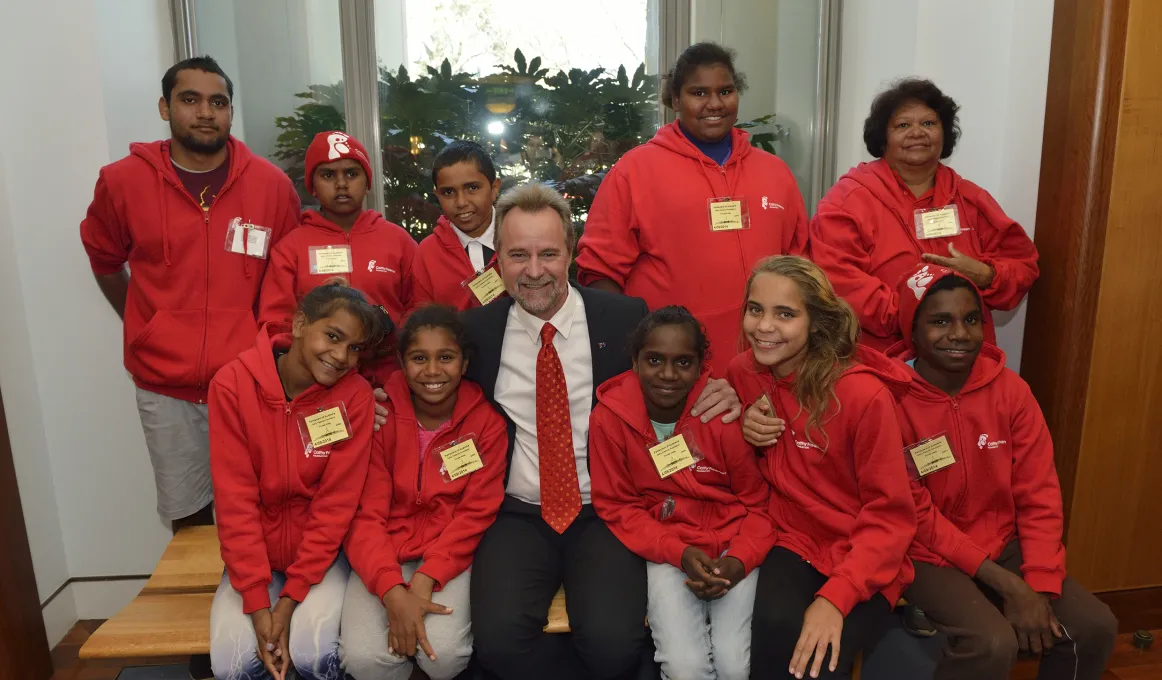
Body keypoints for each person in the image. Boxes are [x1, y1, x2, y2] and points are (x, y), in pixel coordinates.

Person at [415, 181, 741, 680]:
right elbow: (428, 384)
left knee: (614, 648)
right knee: (498, 646)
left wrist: (724, 391)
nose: (534, 270)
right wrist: (376, 401)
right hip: (515, 514)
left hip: (607, 511)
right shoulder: (476, 332)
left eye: (548, 253)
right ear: (496, 258)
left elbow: (676, 373)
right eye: (517, 254)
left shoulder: (624, 316)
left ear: (571, 252)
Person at [79, 55, 301, 532]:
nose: (205, 112)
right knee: (191, 519)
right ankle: (203, 606)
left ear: (230, 113)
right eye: (190, 100)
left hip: (251, 384)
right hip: (165, 389)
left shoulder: (272, 187)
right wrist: (148, 327)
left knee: (266, 511)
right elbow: (103, 259)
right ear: (165, 107)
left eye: (217, 102)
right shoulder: (122, 182)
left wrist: (267, 350)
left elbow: (286, 282)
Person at [888, 262, 1117, 680]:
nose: (960, 333)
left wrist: (1041, 587)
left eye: (971, 319)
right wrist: (1007, 585)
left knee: (1093, 626)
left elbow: (1039, 492)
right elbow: (914, 514)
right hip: (922, 552)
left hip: (1000, 541)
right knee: (992, 643)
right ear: (912, 329)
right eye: (941, 321)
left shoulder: (1012, 392)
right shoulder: (887, 399)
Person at [726, 256, 916, 679]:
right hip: (792, 539)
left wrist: (836, 597)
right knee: (772, 635)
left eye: (786, 314)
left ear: (816, 322)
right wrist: (742, 423)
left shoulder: (863, 396)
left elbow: (890, 517)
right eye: (755, 309)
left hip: (864, 552)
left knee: (816, 662)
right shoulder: (744, 372)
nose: (764, 326)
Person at [577, 42, 808, 375]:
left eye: (725, 91)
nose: (714, 104)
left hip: (768, 362)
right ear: (675, 100)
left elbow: (801, 265)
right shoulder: (635, 170)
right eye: (699, 93)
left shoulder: (775, 172)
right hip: (674, 370)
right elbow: (599, 274)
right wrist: (643, 349)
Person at [208, 281, 385, 680]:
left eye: (355, 348)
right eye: (333, 337)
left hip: (323, 557)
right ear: (301, 324)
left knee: (312, 656)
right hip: (255, 559)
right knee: (232, 665)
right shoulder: (233, 386)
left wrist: (288, 603)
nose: (341, 356)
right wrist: (257, 604)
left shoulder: (354, 396)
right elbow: (235, 503)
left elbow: (336, 505)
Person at [589, 306, 775, 680]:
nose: (668, 375)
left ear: (701, 365)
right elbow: (618, 506)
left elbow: (761, 506)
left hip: (734, 547)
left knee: (736, 666)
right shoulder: (609, 419)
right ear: (634, 360)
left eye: (683, 362)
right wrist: (678, 552)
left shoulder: (722, 417)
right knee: (683, 666)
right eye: (654, 360)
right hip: (667, 547)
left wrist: (738, 561)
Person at [809, 78, 1039, 352]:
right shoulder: (847, 201)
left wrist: (988, 275)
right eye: (903, 125)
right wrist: (921, 319)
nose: (917, 132)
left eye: (929, 123)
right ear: (883, 138)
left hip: (963, 361)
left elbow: (1023, 265)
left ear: (945, 134)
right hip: (879, 364)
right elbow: (838, 281)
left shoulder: (971, 199)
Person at [341, 304, 507, 680]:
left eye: (445, 358)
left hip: (448, 552)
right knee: (366, 660)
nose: (432, 371)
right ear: (401, 361)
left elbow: (476, 513)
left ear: (464, 364)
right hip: (382, 551)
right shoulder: (379, 416)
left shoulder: (487, 425)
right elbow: (364, 514)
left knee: (444, 655)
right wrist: (391, 589)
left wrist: (426, 577)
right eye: (419, 358)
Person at [259, 130, 416, 386]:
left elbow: (418, 310)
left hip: (392, 384)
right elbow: (275, 324)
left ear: (368, 183)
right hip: (319, 385)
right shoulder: (291, 248)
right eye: (328, 175)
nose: (341, 184)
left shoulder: (399, 242)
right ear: (313, 187)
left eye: (352, 174)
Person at [412, 140, 505, 310]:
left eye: (472, 188)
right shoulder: (427, 253)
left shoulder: (520, 239)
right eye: (448, 192)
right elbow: (423, 321)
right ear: (437, 195)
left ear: (494, 188)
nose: (461, 202)